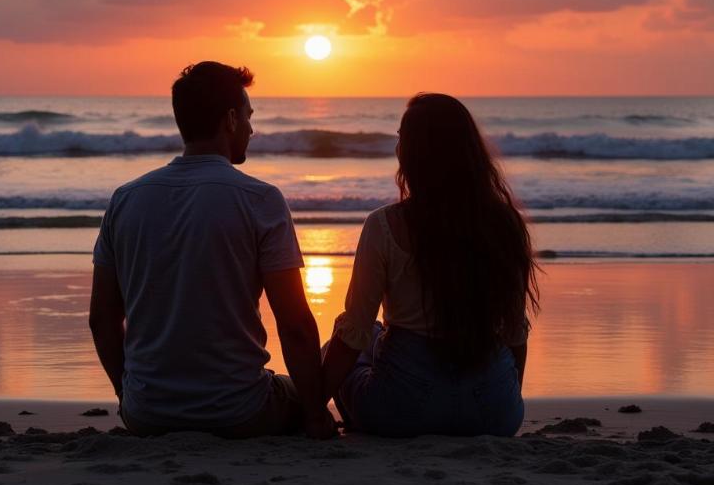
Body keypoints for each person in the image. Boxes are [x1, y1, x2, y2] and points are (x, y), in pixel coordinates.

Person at [89, 61, 336, 439]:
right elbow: (295, 325)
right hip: (241, 412)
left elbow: (102, 319)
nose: (253, 129)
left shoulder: (126, 200)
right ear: (232, 119)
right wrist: (316, 415)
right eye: (250, 117)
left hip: (147, 413)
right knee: (299, 388)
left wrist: (128, 395)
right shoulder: (260, 200)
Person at [321, 93, 540, 437]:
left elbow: (355, 334)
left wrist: (312, 408)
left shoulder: (384, 225)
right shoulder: (504, 224)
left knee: (346, 334)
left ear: (410, 155)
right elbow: (515, 334)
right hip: (493, 414)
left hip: (404, 411)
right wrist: (506, 398)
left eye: (400, 140)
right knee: (373, 337)